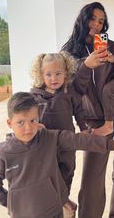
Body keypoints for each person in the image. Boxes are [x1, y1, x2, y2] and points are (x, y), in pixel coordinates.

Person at [0, 92, 114, 218]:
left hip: (54, 210)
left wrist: (110, 144)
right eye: (20, 122)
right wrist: (14, 202)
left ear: (39, 119)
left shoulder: (50, 138)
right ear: (10, 123)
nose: (28, 128)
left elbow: (78, 140)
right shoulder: (5, 153)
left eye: (33, 120)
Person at [62, 2, 114, 218]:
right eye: (92, 18)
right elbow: (70, 89)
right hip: (95, 122)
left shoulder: (108, 44)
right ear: (83, 19)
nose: (97, 24)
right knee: (92, 179)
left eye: (101, 21)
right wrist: (85, 65)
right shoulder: (69, 52)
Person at [29, 52, 87, 216]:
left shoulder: (69, 93)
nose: (53, 78)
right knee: (47, 175)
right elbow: (27, 116)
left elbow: (79, 112)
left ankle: (63, 199)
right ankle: (53, 204)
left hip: (67, 143)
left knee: (67, 171)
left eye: (58, 74)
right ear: (41, 74)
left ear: (66, 74)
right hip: (45, 145)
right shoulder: (34, 95)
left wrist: (84, 129)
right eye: (48, 74)